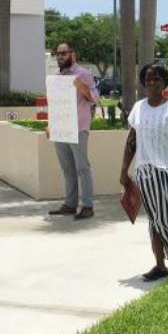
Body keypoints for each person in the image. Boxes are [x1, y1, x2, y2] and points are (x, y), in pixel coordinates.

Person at [120, 63, 168, 281]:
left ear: (164, 82)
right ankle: (160, 265)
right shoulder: (139, 108)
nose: (152, 82)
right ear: (144, 83)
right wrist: (124, 169)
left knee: (165, 216)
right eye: (148, 79)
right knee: (154, 220)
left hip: (167, 172)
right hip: (144, 172)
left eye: (157, 79)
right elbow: (132, 140)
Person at [48, 42, 99, 220]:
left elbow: (94, 98)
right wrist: (51, 124)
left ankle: (88, 206)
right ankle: (70, 204)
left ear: (72, 54)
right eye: (58, 54)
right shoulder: (55, 77)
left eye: (64, 53)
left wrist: (81, 87)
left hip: (78, 128)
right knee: (67, 168)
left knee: (82, 168)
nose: (60, 56)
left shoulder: (83, 74)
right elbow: (54, 104)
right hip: (61, 129)